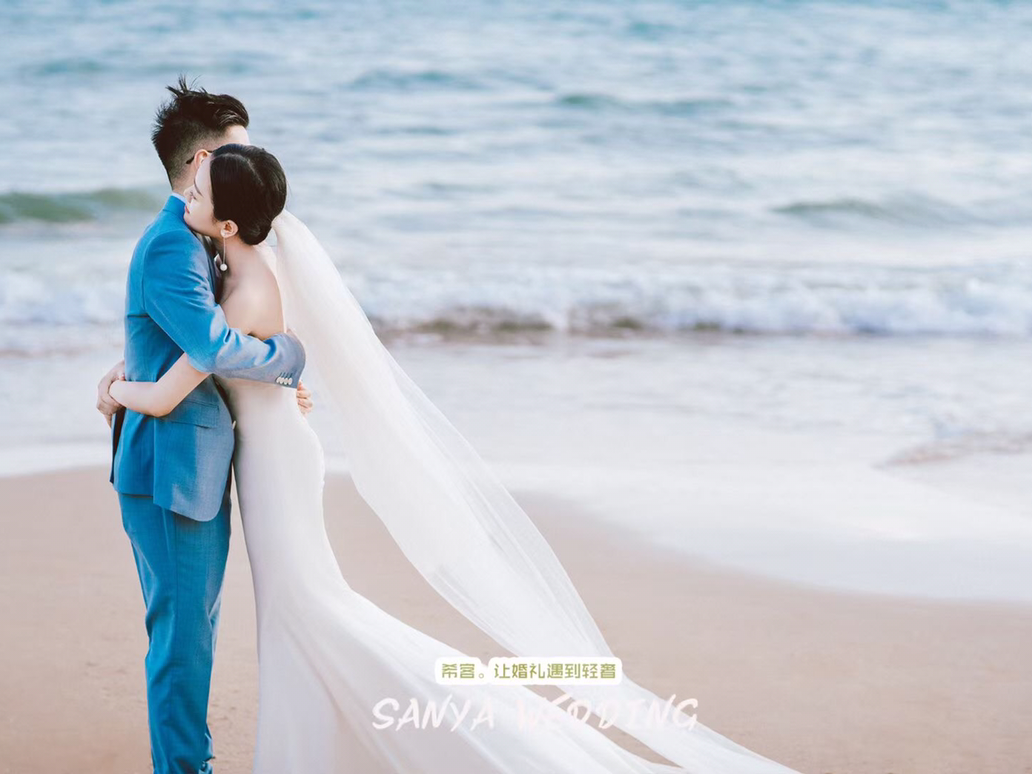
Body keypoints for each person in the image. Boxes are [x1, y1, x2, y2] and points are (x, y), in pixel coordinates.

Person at [108, 140, 801, 774]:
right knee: (305, 614)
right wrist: (279, 372)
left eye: (197, 197)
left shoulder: (243, 290)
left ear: (230, 224)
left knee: (310, 613)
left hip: (276, 466)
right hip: (276, 453)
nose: (185, 202)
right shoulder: (243, 266)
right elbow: (239, 355)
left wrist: (115, 390)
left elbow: (174, 389)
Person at [95, 79, 312, 774]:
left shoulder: (203, 237)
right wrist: (287, 359)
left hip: (190, 461)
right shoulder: (172, 244)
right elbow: (213, 346)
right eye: (237, 154)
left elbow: (179, 341)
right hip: (170, 471)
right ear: (203, 163)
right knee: (184, 643)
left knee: (194, 632)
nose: (251, 165)